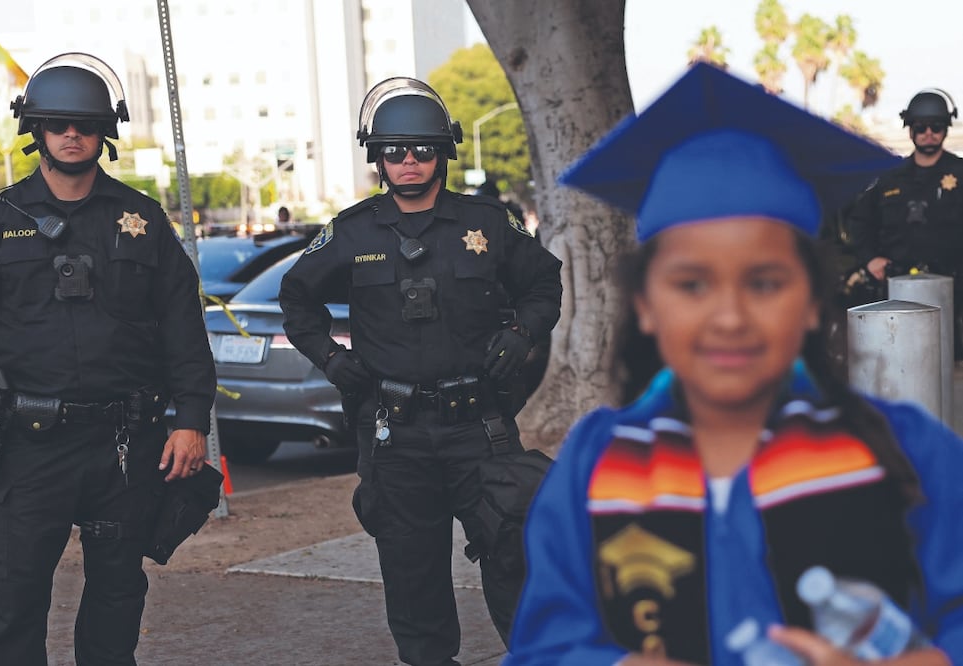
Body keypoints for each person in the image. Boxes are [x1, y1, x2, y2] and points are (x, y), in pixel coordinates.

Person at [505, 63, 963, 665]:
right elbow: (545, 645)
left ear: (810, 303)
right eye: (691, 284)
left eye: (766, 283)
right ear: (645, 305)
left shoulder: (909, 454)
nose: (729, 317)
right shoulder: (593, 467)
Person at [0, 53, 216, 665]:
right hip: (30, 447)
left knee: (117, 601)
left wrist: (192, 420)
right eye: (57, 124)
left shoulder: (141, 222)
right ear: (36, 132)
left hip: (124, 443)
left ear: (105, 132)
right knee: (12, 600)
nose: (71, 135)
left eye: (84, 124)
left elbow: (183, 330)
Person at [279, 77, 563, 666]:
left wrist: (522, 332)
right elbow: (296, 297)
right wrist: (332, 359)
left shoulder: (486, 224)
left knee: (516, 549)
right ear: (377, 157)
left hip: (479, 426)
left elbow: (544, 283)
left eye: (422, 150)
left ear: (444, 152)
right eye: (394, 151)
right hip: (395, 432)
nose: (408, 162)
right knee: (412, 571)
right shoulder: (352, 231)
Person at [846, 90, 963, 326]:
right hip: (896, 290)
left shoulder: (960, 172)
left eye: (936, 126)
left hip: (955, 288)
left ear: (946, 128)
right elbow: (859, 221)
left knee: (951, 357)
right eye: (921, 127)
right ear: (910, 129)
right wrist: (869, 259)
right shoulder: (888, 177)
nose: (928, 133)